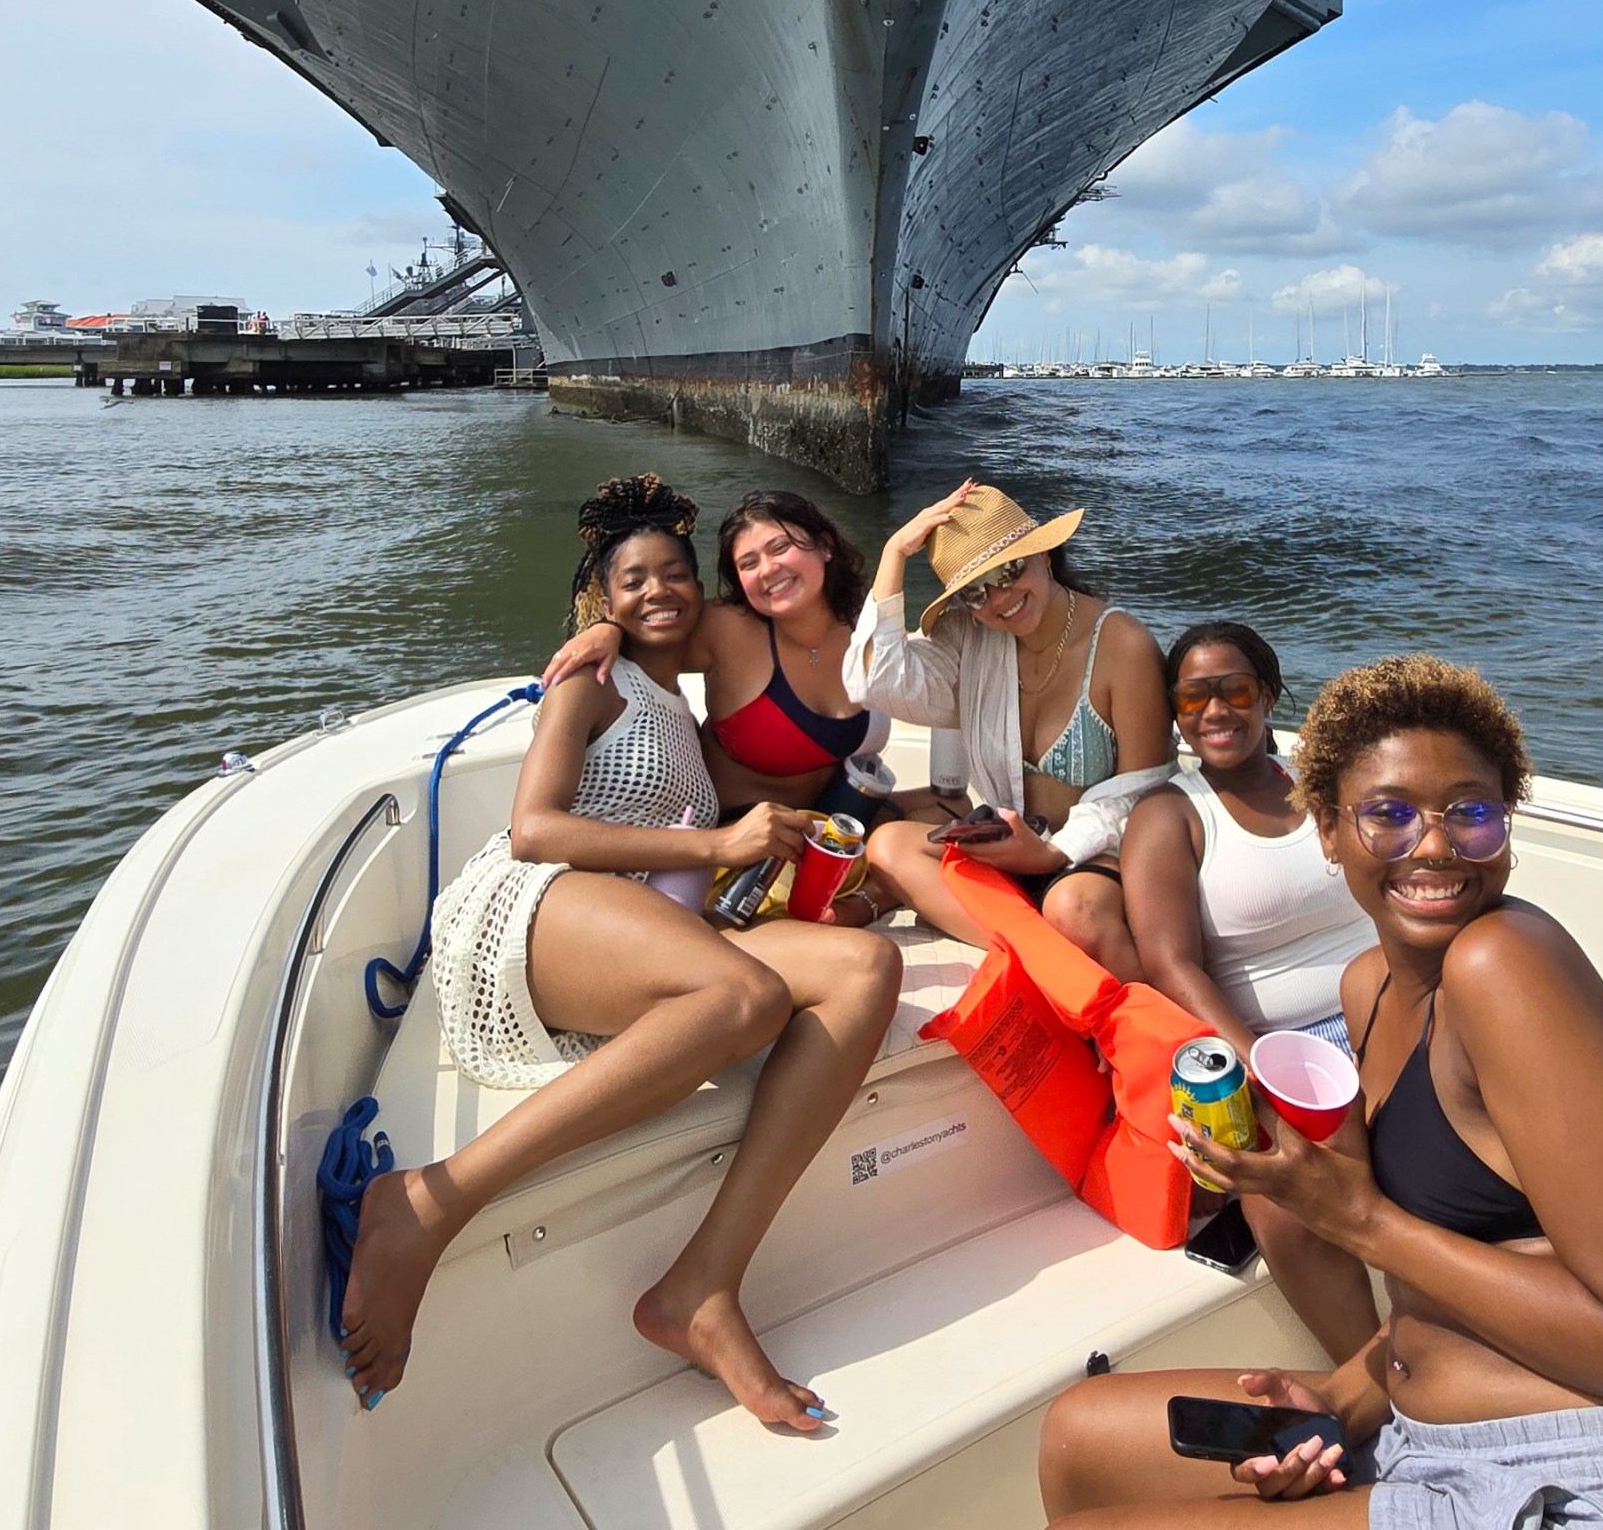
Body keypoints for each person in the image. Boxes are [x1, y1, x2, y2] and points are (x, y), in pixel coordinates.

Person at [1036, 656, 1603, 1530]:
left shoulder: (1501, 965)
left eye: (1470, 813)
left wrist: (1357, 1218)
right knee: (1080, 1438)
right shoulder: (1371, 990)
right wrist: (1340, 1397)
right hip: (1430, 1439)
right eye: (1387, 815)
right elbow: (1454, 1281)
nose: (1433, 844)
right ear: (1324, 831)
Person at [339, 475, 904, 1431]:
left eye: (677, 575)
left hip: (638, 918)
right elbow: (532, 830)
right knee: (744, 998)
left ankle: (702, 1287)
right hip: (529, 906)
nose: (660, 592)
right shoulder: (590, 684)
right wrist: (716, 844)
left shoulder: (678, 699)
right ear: (601, 600)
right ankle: (431, 1200)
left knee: (865, 972)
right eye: (634, 582)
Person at [1122, 621, 1379, 1361]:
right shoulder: (1170, 815)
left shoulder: (1327, 780)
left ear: (1267, 694)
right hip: (1280, 1045)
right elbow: (1171, 965)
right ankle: (1375, 1379)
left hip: (1386, 1010)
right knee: (1280, 1190)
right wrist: (1261, 1063)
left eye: (1235, 690)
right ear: (1174, 712)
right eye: (1193, 697)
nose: (1216, 711)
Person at [545, 488, 947, 918]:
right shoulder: (726, 630)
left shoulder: (863, 629)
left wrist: (900, 553)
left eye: (780, 548)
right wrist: (606, 631)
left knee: (951, 813)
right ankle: (865, 904)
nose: (768, 569)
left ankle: (866, 901)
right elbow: (654, 623)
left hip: (824, 826)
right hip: (741, 845)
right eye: (748, 563)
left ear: (825, 546)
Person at [845, 480, 1173, 980]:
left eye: (1009, 569)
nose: (1000, 598)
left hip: (1099, 860)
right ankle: (1055, 968)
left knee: (1073, 907)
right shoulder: (969, 638)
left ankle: (1048, 965)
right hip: (1015, 854)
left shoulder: (1122, 643)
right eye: (975, 591)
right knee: (889, 846)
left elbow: (1146, 793)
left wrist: (1051, 853)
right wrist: (894, 552)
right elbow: (876, 681)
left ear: (1043, 553)